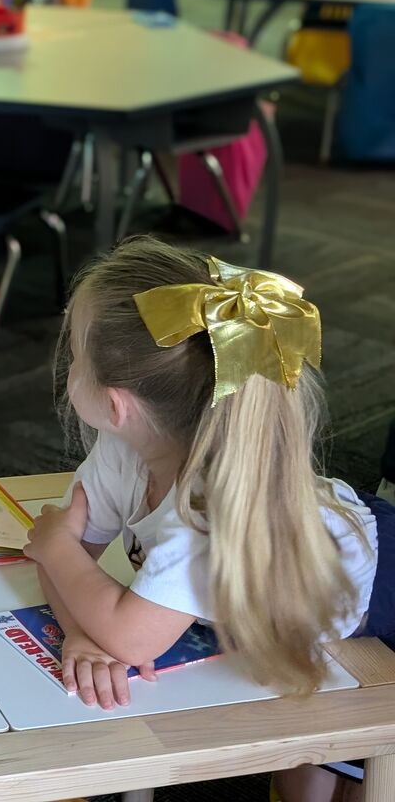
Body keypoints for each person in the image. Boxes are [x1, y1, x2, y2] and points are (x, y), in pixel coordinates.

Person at [23, 237, 393, 798]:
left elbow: (126, 632)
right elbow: (84, 568)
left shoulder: (198, 517)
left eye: (74, 356)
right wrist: (79, 632)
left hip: (372, 599)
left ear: (117, 403)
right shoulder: (122, 449)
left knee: (333, 767)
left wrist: (53, 548)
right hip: (292, 594)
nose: (68, 368)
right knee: (300, 759)